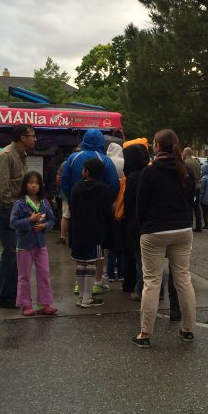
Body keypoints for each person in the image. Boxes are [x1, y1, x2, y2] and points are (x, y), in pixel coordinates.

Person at [133, 129, 197, 348]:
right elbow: (190, 201)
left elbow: (140, 206)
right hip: (182, 230)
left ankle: (145, 333)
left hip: (154, 231)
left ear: (158, 147)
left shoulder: (149, 173)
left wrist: (144, 228)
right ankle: (188, 329)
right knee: (183, 279)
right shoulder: (185, 171)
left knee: (151, 281)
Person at [61, 129, 120, 295]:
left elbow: (64, 181)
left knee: (79, 246)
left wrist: (72, 199)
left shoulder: (72, 158)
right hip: (99, 213)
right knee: (100, 246)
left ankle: (79, 283)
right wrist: (106, 200)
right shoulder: (105, 160)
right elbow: (114, 185)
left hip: (78, 209)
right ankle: (97, 281)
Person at [0, 124, 35, 309]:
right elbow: (3, 189)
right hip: (4, 210)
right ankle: (5, 297)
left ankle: (11, 293)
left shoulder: (21, 155)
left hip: (14, 208)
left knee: (16, 253)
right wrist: (17, 210)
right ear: (22, 138)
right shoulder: (6, 155)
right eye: (32, 135)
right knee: (11, 253)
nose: (35, 139)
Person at [70, 157, 115, 308]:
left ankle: (82, 295)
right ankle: (88, 297)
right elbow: (107, 213)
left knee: (80, 262)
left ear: (86, 172)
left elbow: (72, 210)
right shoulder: (104, 190)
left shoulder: (76, 188)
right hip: (96, 232)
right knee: (91, 263)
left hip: (78, 231)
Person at [10, 171, 57, 317]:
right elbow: (13, 223)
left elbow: (52, 221)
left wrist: (44, 226)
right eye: (30, 182)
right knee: (24, 276)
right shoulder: (20, 204)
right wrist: (29, 220)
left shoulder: (44, 202)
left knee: (44, 273)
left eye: (36, 182)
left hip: (40, 244)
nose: (33, 185)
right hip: (24, 245)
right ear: (25, 184)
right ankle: (26, 305)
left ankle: (44, 304)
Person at [122, 138, 149, 299]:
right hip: (151, 223)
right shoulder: (150, 172)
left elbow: (129, 204)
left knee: (140, 259)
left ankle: (140, 290)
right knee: (154, 262)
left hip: (136, 224)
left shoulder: (132, 178)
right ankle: (158, 291)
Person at [106, 142, 126, 282]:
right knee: (121, 244)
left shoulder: (107, 161)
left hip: (110, 200)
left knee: (111, 245)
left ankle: (110, 272)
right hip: (121, 201)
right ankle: (121, 272)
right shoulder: (123, 161)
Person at [182, 147, 203, 232]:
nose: (182, 153)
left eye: (183, 152)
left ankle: (189, 225)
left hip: (191, 187)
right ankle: (199, 225)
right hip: (198, 186)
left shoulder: (186, 163)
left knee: (189, 206)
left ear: (186, 153)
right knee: (197, 207)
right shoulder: (197, 161)